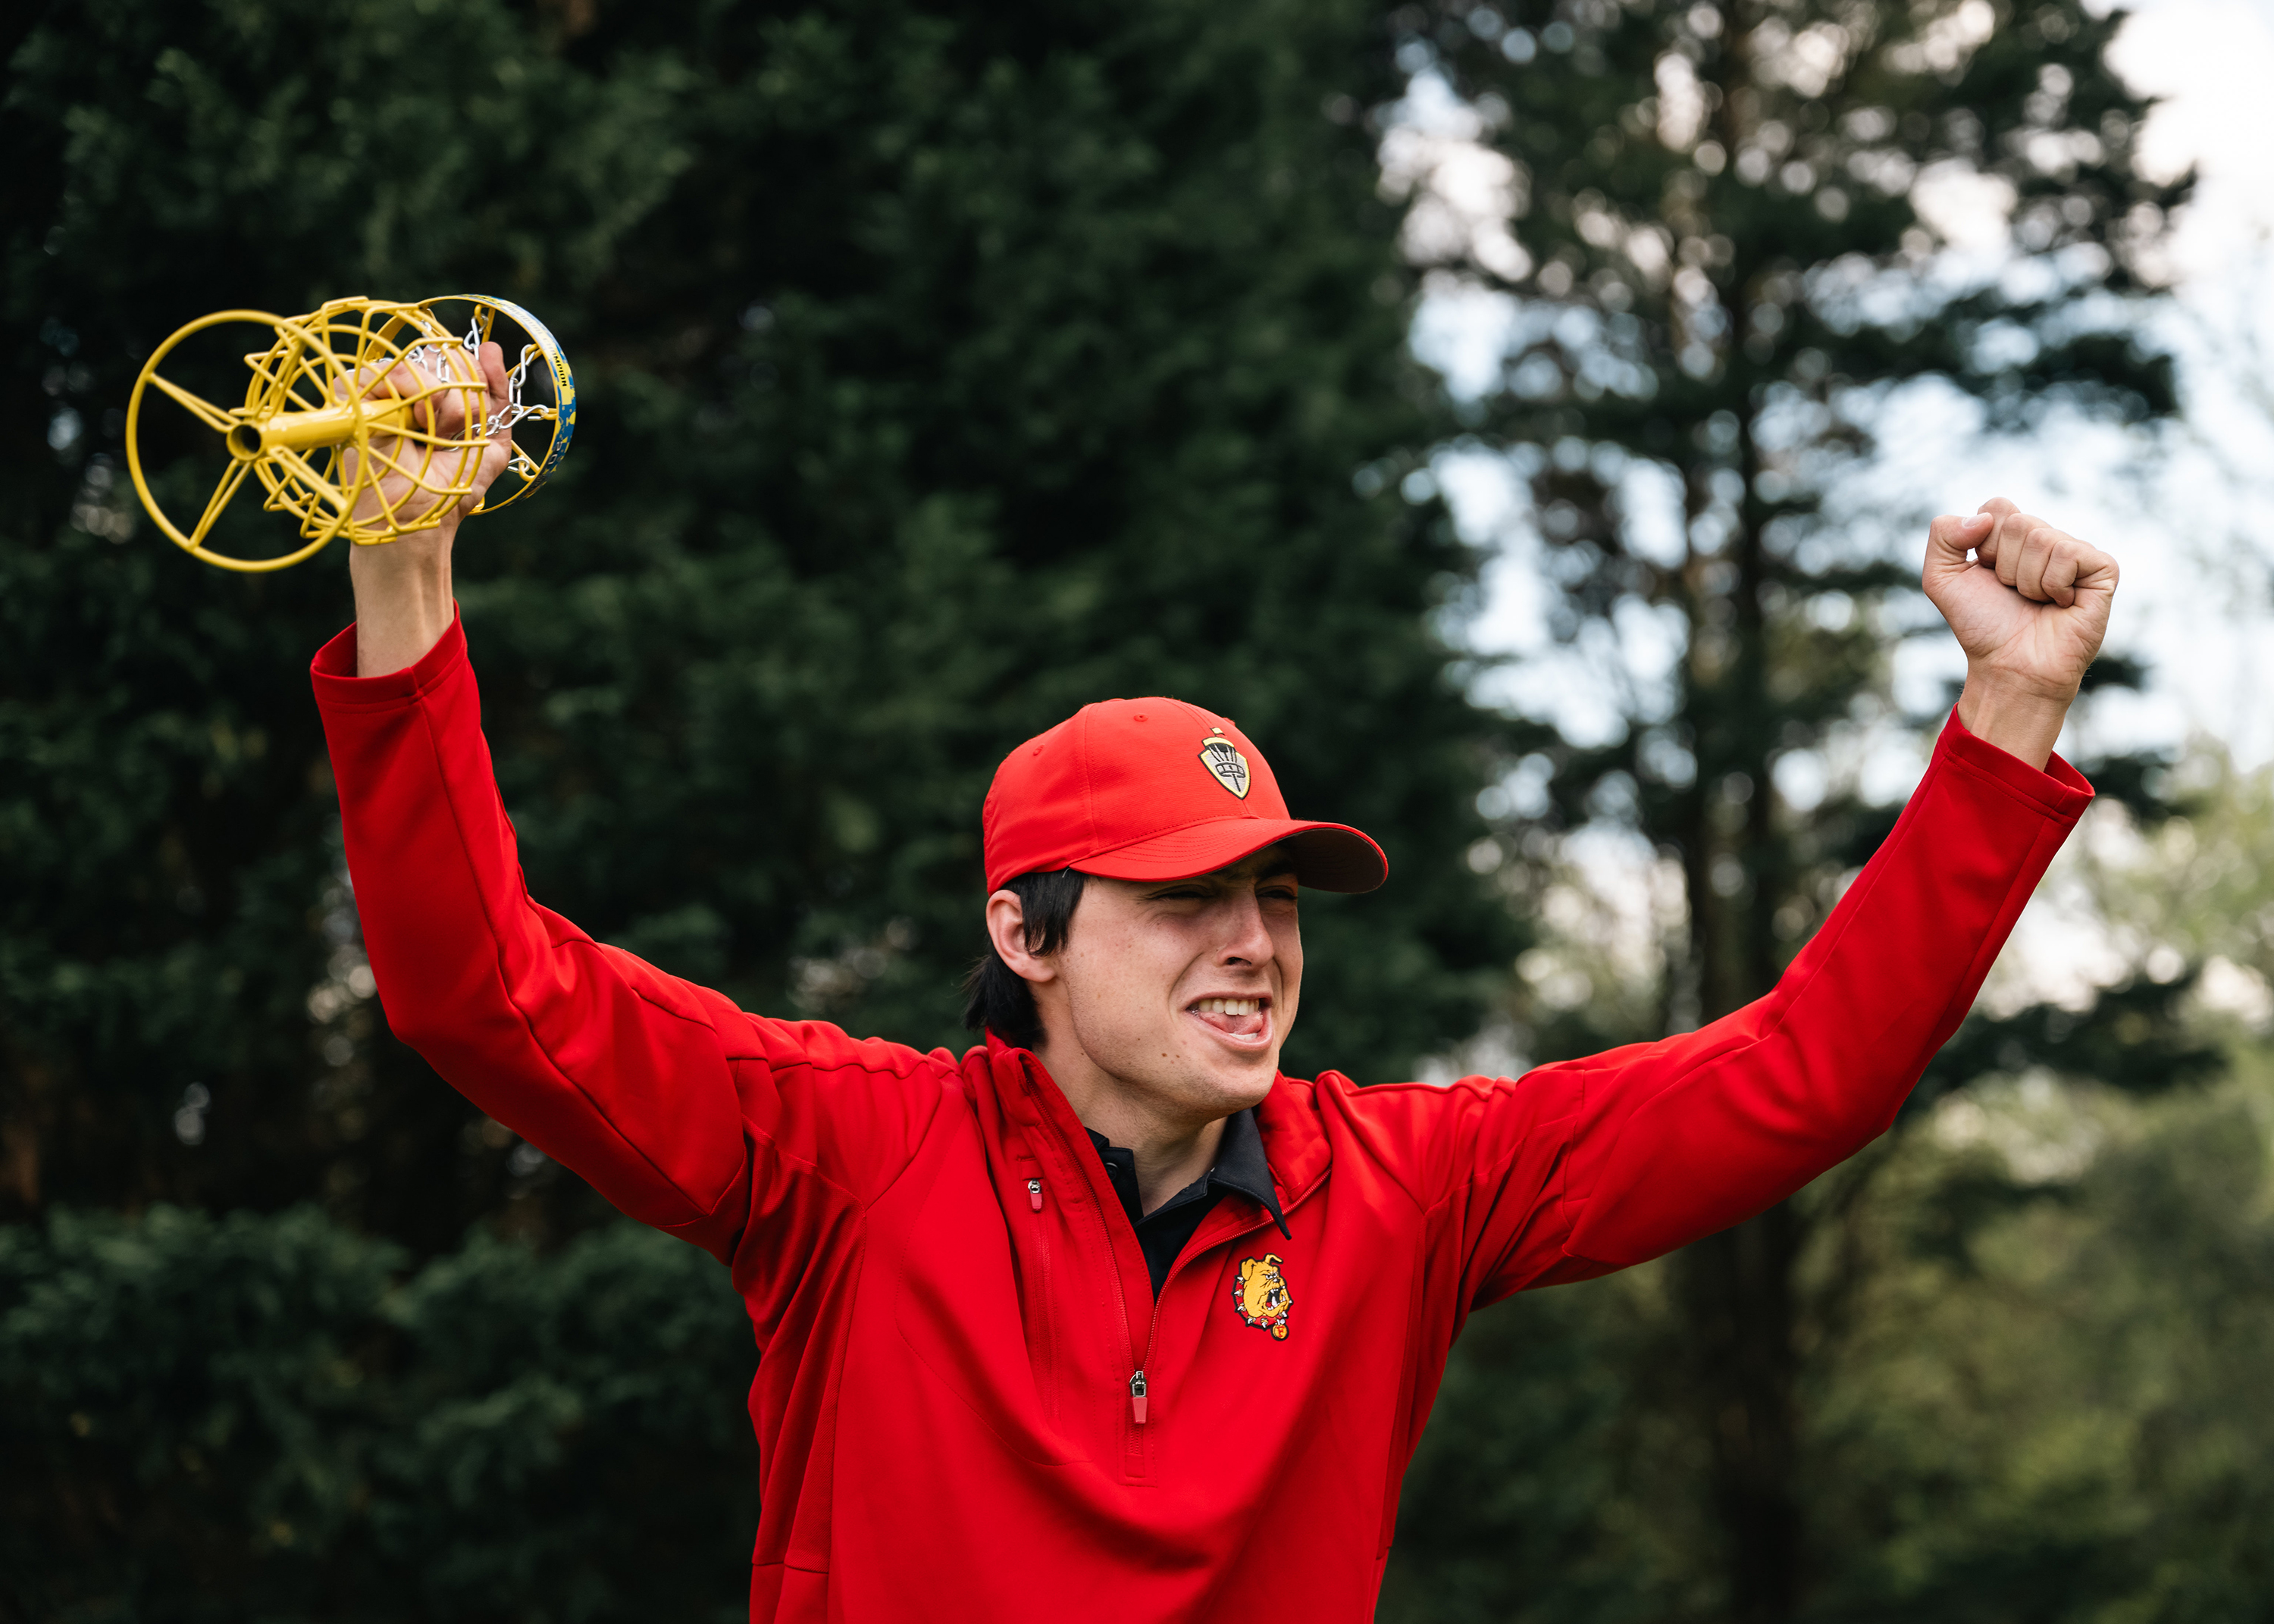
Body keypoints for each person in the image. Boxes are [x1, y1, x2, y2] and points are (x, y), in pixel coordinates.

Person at [315, 347, 2116, 1622]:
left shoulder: (1412, 1192)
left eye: (1272, 891)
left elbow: (1807, 1074)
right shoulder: (838, 1154)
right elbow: (486, 989)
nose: (1253, 942)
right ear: (1025, 936)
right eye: (1183, 900)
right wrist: (403, 570)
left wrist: (2009, 710)